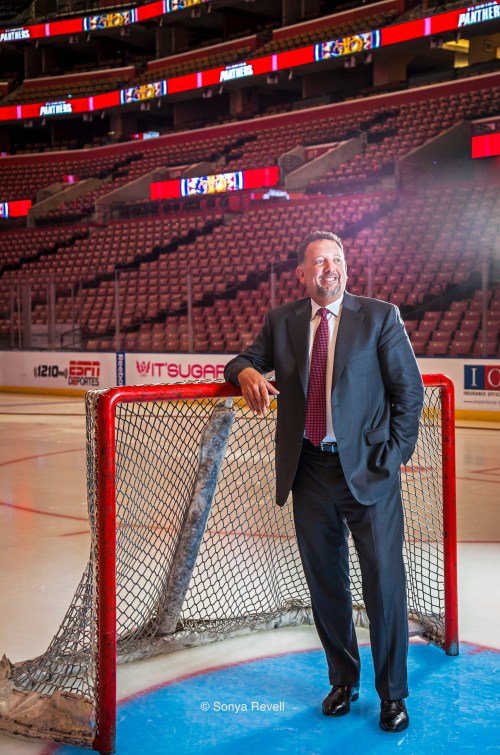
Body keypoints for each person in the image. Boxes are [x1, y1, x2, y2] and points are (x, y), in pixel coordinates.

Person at [224, 230, 424, 733]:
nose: (328, 269)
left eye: (335, 260)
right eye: (318, 262)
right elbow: (242, 360)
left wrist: (393, 456)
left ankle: (392, 694)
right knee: (326, 584)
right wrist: (245, 374)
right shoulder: (283, 320)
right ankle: (343, 680)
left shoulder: (380, 317)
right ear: (302, 273)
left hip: (369, 471)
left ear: (346, 268)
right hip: (309, 469)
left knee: (384, 585)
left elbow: (410, 393)